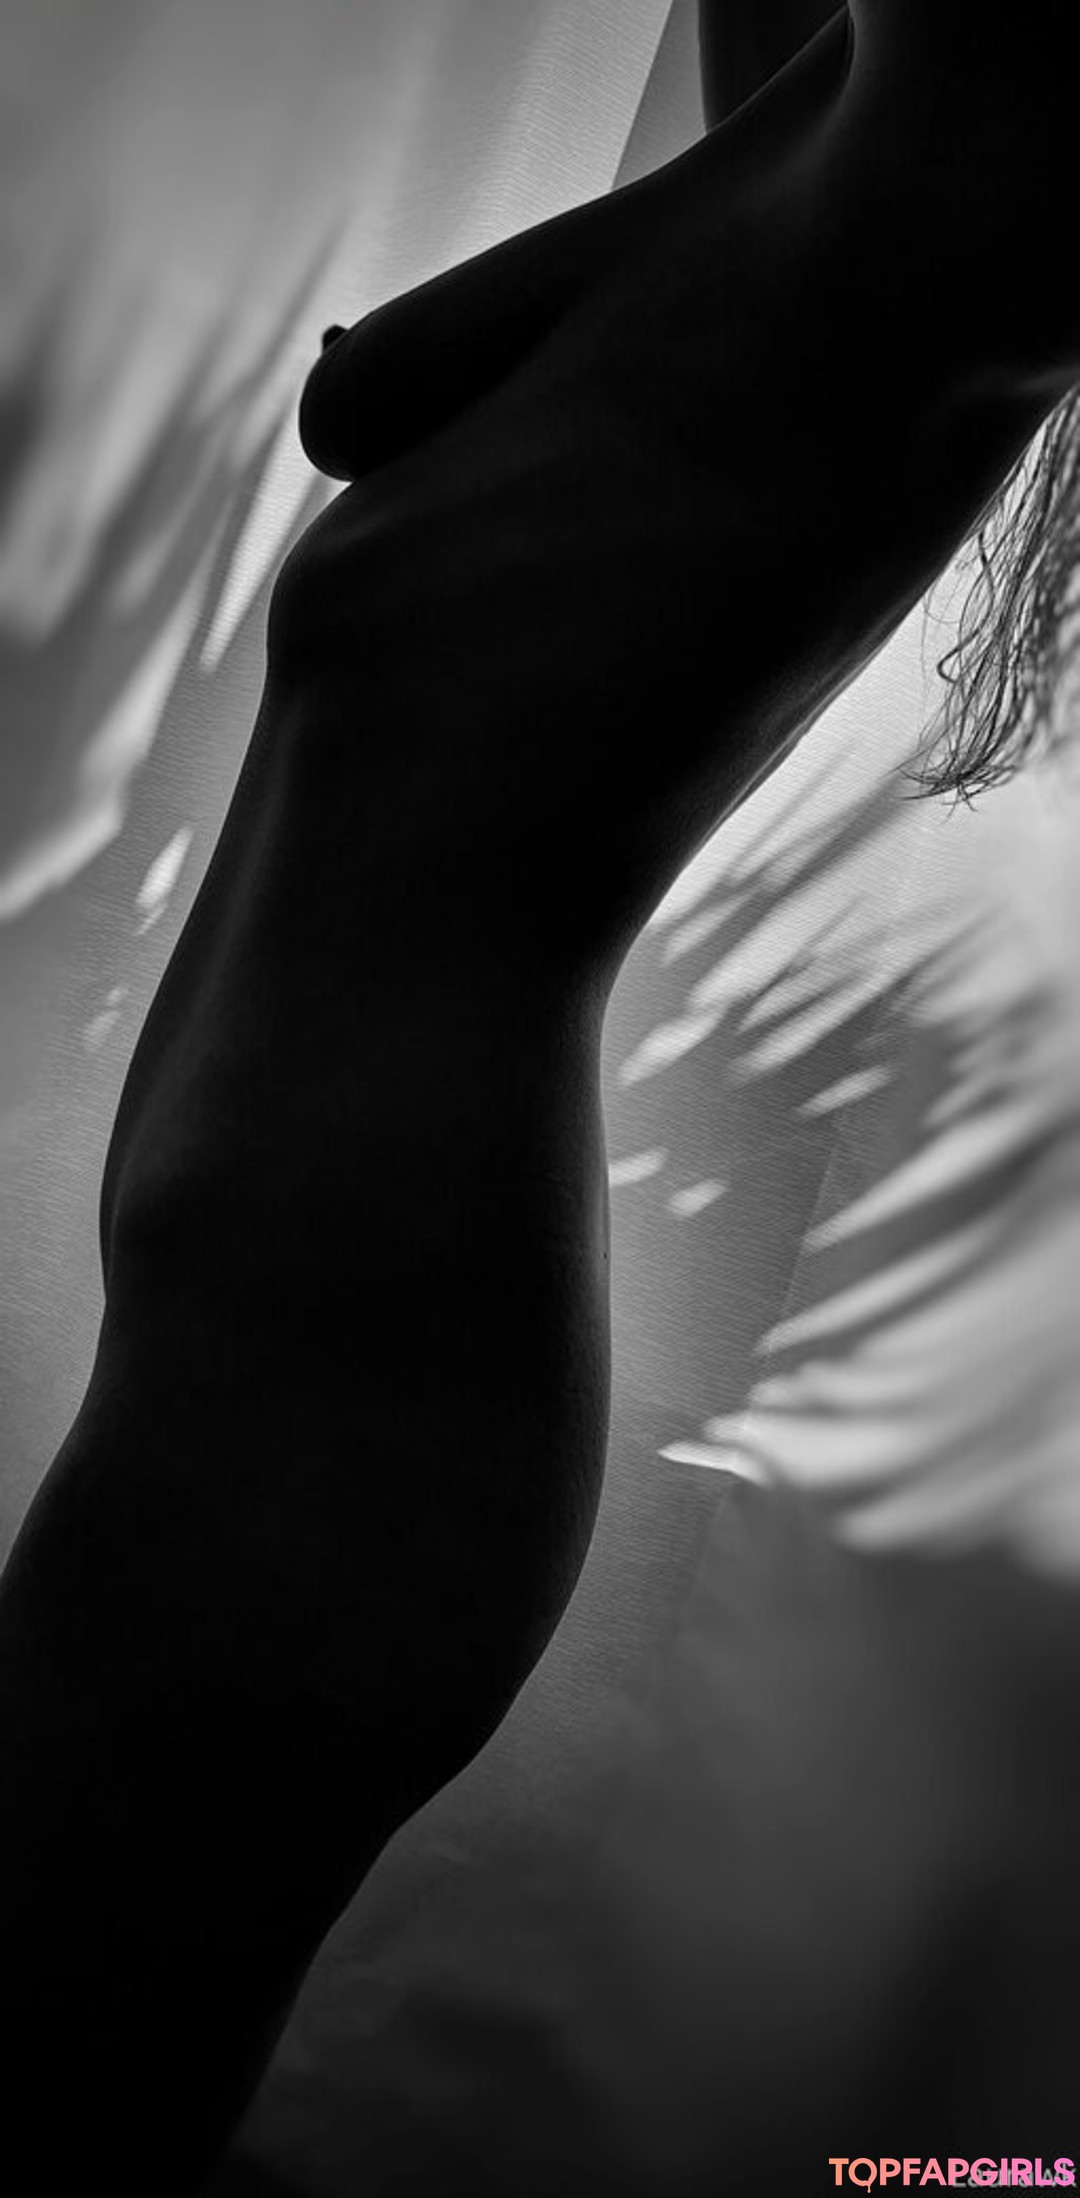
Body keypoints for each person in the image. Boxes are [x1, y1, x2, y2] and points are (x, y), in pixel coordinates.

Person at [1, 4, 1079, 2188]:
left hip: (349, 1392)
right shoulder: (823, 152)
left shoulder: (993, 193)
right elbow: (372, 390)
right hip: (282, 1336)